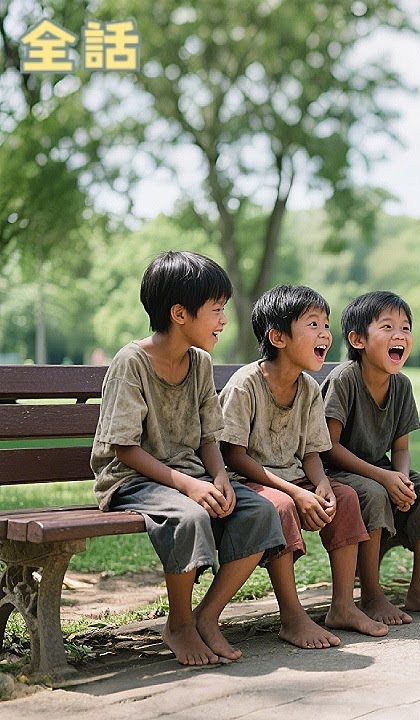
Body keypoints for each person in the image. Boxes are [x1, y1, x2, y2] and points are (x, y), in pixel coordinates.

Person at [91, 251, 284, 666]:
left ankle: (206, 617)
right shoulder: (132, 363)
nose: (223, 321)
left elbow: (209, 437)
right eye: (216, 311)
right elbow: (125, 448)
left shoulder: (199, 362)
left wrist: (219, 477)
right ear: (180, 313)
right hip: (132, 478)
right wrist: (189, 485)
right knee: (189, 516)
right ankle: (178, 624)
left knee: (259, 513)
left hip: (188, 476)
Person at [220, 285, 388, 647]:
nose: (325, 333)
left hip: (295, 477)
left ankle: (342, 606)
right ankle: (292, 616)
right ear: (277, 337)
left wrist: (321, 483)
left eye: (325, 324)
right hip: (247, 480)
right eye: (313, 324)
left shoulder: (310, 388)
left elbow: (312, 451)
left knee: (343, 497)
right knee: (280, 507)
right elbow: (233, 455)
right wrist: (295, 492)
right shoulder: (246, 384)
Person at [321, 291, 420, 624]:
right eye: (387, 326)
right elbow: (328, 447)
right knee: (376, 493)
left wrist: (402, 478)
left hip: (380, 472)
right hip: (337, 472)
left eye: (406, 328)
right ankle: (371, 596)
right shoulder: (345, 380)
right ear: (357, 339)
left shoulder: (401, 385)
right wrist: (385, 478)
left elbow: (401, 448)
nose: (400, 335)